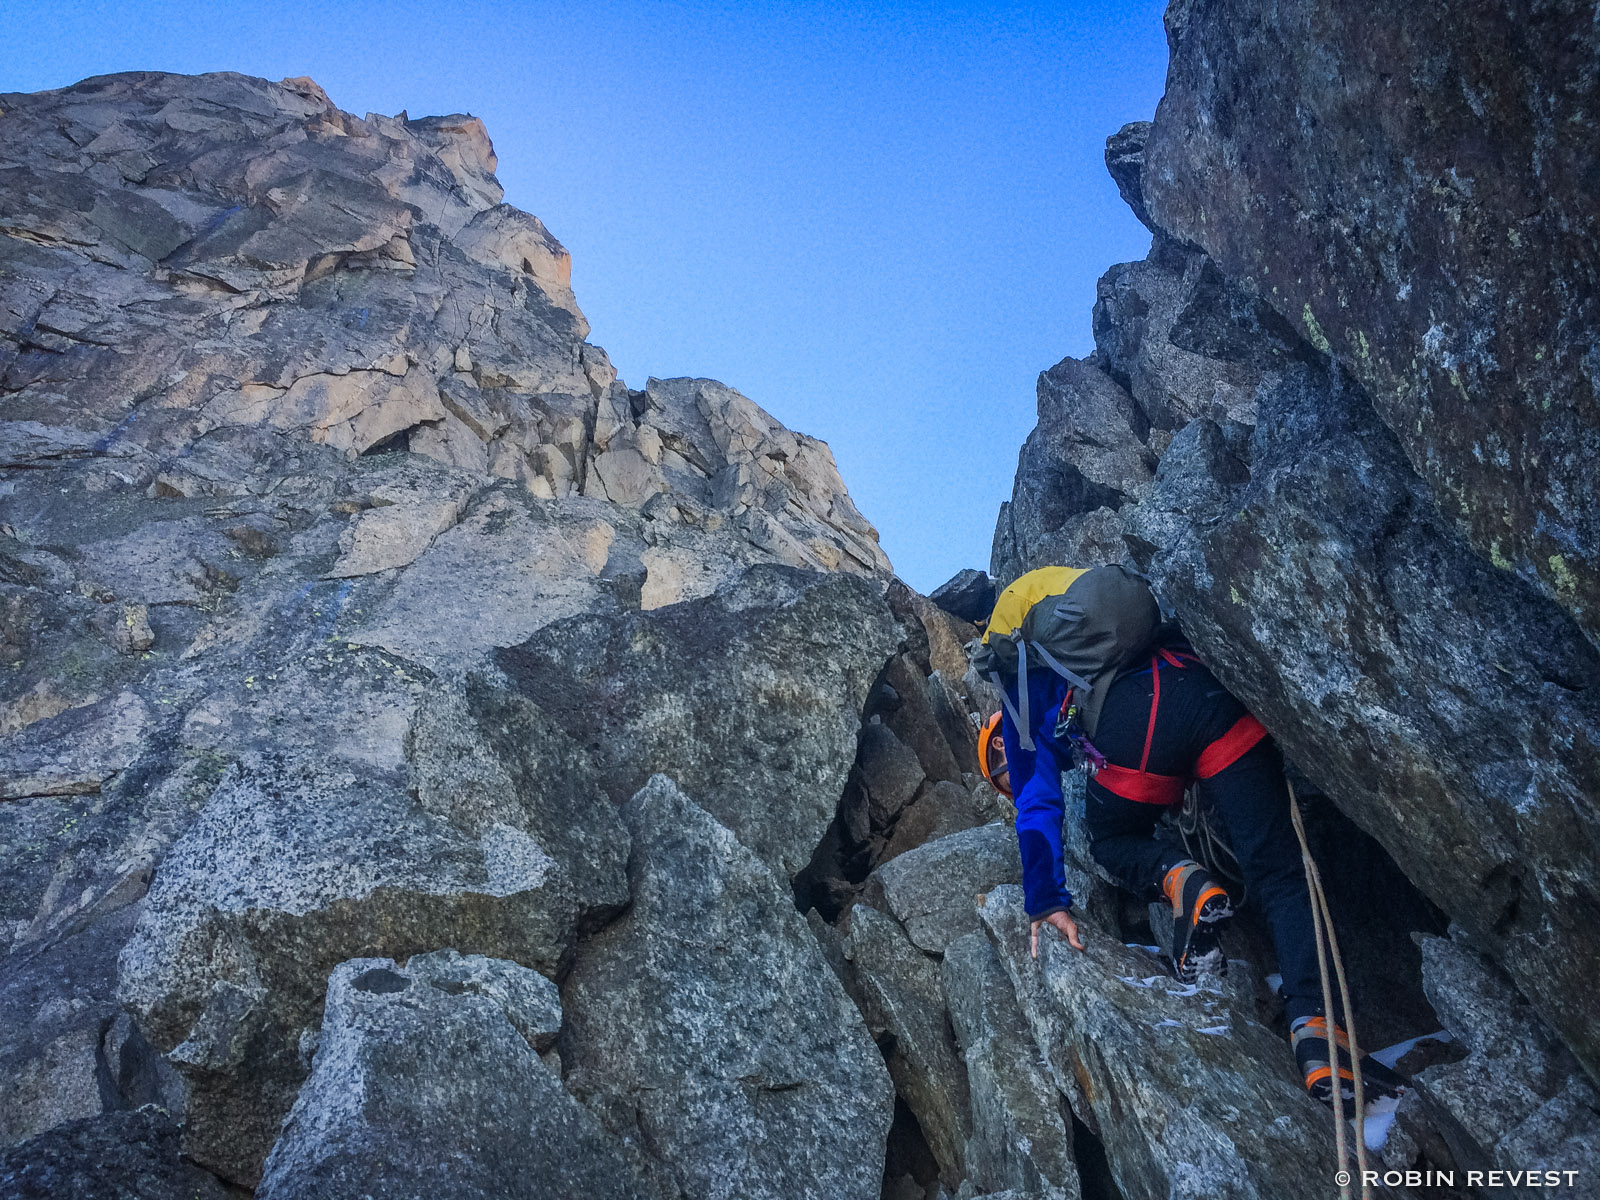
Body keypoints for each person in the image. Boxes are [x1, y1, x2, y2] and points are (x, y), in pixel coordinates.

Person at [978, 564, 1401, 1106]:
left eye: (1000, 764)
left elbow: (1039, 802)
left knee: (1108, 839)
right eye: (999, 776)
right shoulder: (1086, 619)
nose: (1005, 772)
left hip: (1134, 733)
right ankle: (1321, 1037)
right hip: (1205, 692)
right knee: (1281, 872)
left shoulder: (1018, 682)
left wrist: (1044, 900)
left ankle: (1181, 880)